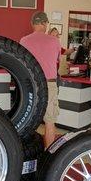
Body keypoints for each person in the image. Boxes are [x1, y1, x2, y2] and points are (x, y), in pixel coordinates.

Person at [21, 13, 61, 148]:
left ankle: (28, 153)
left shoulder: (24, 41)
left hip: (30, 84)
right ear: (44, 23)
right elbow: (57, 60)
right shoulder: (54, 41)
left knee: (27, 121)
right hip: (49, 84)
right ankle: (49, 156)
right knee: (49, 122)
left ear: (32, 24)